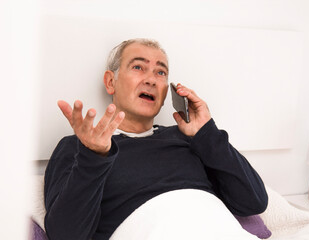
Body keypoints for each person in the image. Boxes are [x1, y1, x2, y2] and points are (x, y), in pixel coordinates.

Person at [44, 38, 268, 240]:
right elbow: (65, 234)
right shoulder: (80, 147)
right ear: (110, 81)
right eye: (138, 67)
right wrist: (94, 157)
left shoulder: (189, 138)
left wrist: (207, 132)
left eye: (160, 73)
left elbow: (254, 201)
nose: (151, 79)